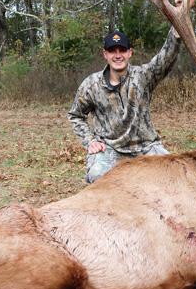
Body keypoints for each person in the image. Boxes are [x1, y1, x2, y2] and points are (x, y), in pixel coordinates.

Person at [68, 27, 182, 183]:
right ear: (105, 54)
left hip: (146, 146)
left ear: (130, 53)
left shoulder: (143, 76)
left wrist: (176, 29)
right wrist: (90, 141)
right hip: (110, 148)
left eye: (122, 50)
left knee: (175, 174)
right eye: (112, 51)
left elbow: (166, 58)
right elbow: (75, 115)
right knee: (97, 176)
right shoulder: (91, 85)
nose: (117, 55)